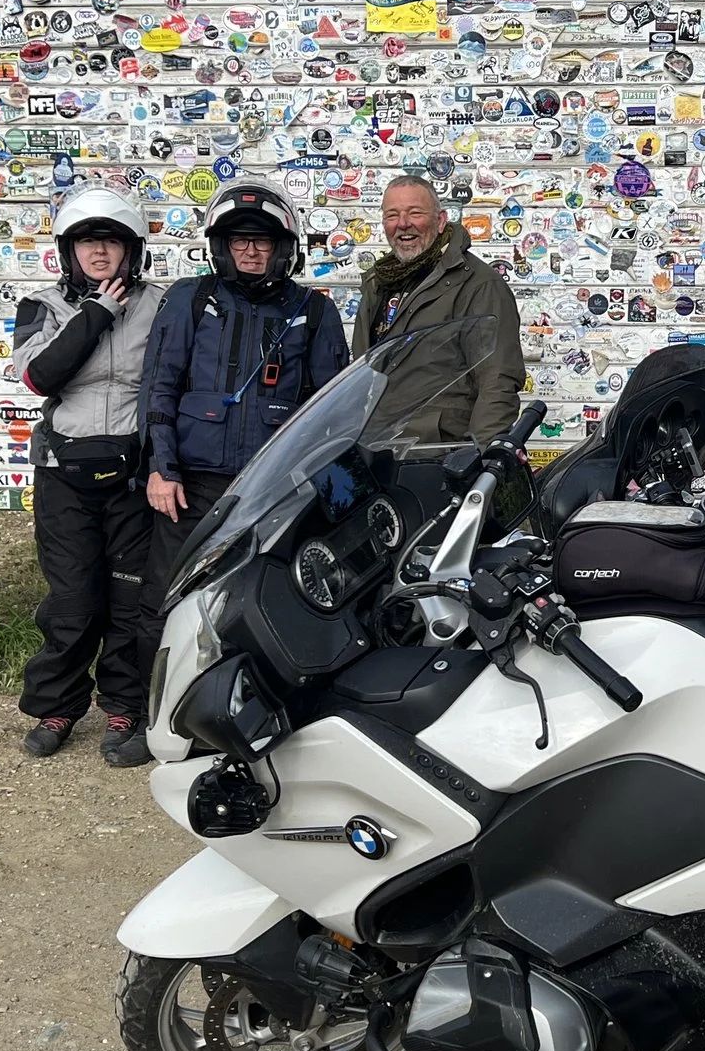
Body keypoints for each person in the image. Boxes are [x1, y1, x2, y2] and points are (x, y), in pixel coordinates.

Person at [137, 182, 348, 719]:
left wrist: (326, 491)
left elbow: (335, 414)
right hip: (192, 485)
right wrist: (162, 469)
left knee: (261, 600)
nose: (251, 251)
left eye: (262, 241)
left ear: (284, 248)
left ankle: (251, 709)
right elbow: (159, 390)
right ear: (220, 246)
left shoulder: (315, 312)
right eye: (239, 241)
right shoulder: (190, 299)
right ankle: (151, 713)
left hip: (273, 491)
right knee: (164, 597)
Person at [9, 186, 166, 765]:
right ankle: (57, 705)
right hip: (63, 474)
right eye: (86, 241)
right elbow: (39, 377)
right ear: (67, 251)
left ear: (132, 250)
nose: (99, 252)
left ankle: (124, 704)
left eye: (111, 241)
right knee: (73, 600)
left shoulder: (160, 305)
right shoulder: (43, 307)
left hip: (131, 474)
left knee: (130, 602)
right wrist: (97, 313)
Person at [354, 174, 525, 442]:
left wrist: (475, 460)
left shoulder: (478, 284)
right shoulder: (378, 283)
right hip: (379, 452)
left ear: (441, 220)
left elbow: (498, 380)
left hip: (439, 456)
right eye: (392, 215)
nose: (403, 224)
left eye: (415, 213)